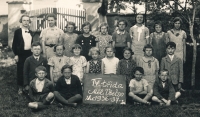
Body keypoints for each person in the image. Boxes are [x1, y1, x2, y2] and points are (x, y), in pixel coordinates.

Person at [12, 14, 33, 94]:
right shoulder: (17, 32)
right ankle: (20, 87)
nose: (26, 22)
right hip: (21, 54)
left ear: (29, 22)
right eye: (24, 20)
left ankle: (27, 86)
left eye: (27, 20)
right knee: (20, 70)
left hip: (29, 53)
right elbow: (14, 45)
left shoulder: (31, 32)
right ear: (21, 21)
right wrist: (16, 55)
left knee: (29, 69)